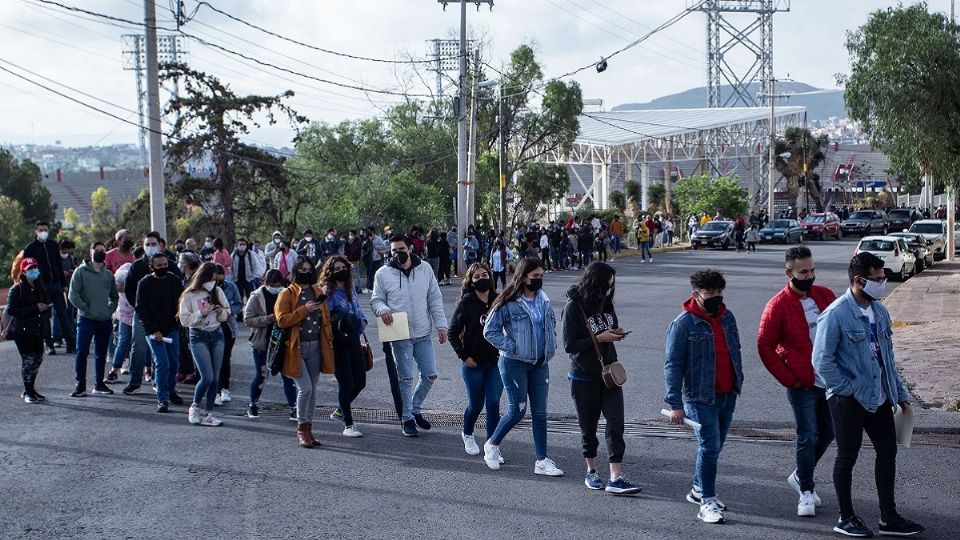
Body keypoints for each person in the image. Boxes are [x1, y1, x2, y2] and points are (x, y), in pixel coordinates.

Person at [812, 253, 925, 537]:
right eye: (876, 279)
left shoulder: (880, 311)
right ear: (858, 280)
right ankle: (846, 517)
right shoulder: (836, 313)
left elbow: (887, 357)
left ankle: (888, 518)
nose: (882, 284)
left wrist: (898, 392)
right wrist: (846, 389)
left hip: (880, 397)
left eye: (883, 278)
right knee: (847, 457)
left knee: (887, 452)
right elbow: (821, 360)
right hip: (847, 400)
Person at [758, 247, 837, 517]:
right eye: (804, 272)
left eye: (812, 270)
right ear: (789, 273)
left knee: (829, 433)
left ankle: (800, 474)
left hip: (831, 383)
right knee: (807, 436)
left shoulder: (825, 296)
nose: (810, 275)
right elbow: (765, 346)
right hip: (803, 385)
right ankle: (806, 491)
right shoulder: (777, 305)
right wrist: (790, 379)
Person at [665, 269, 743, 524]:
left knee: (717, 444)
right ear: (696, 294)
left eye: (719, 292)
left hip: (727, 392)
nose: (716, 297)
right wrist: (675, 404)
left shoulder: (727, 317)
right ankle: (706, 500)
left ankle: (699, 488)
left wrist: (736, 381)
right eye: (710, 293)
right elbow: (673, 365)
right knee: (709, 446)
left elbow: (734, 350)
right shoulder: (683, 323)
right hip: (700, 397)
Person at [562, 262, 641, 495]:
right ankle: (592, 471)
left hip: (610, 374)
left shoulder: (606, 302)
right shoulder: (573, 307)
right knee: (589, 427)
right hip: (583, 376)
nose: (608, 291)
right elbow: (570, 345)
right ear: (593, 284)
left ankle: (616, 476)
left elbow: (611, 325)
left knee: (616, 424)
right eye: (605, 286)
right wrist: (599, 338)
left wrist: (615, 333)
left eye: (611, 287)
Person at [481, 258, 563, 476]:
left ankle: (542, 461)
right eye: (535, 276)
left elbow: (551, 325)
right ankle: (492, 445)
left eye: (541, 276)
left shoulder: (543, 300)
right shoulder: (508, 302)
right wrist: (512, 346)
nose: (539, 280)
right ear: (523, 277)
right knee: (517, 410)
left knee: (540, 413)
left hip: (539, 364)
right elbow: (490, 331)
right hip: (513, 363)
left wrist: (551, 345)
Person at [370, 234, 448, 437]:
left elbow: (435, 299)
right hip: (399, 333)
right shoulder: (382, 274)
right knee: (405, 378)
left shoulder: (425, 269)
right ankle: (406, 419)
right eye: (394, 250)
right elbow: (376, 300)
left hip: (423, 332)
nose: (398, 254)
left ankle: (414, 408)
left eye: (401, 250)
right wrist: (383, 309)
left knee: (430, 374)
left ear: (410, 249)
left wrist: (441, 326)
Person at [275, 257, 335, 447]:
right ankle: (301, 428)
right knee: (305, 388)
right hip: (295, 348)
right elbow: (282, 320)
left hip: (316, 346)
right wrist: (304, 310)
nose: (306, 272)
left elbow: (325, 320)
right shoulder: (287, 293)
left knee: (313, 390)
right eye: (302, 269)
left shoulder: (317, 291)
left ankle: (309, 429)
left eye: (309, 269)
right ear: (295, 270)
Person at [448, 263, 503, 457]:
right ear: (470, 282)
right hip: (473, 364)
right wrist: (464, 357)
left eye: (484, 275)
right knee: (476, 405)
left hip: (496, 363)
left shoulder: (499, 300)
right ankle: (468, 433)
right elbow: (452, 333)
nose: (482, 279)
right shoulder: (466, 302)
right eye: (477, 277)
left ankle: (492, 446)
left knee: (494, 402)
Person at [122, 232, 182, 395]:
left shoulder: (169, 265)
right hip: (143, 314)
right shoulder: (137, 266)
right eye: (147, 244)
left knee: (165, 356)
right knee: (139, 348)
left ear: (160, 245)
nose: (150, 247)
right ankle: (135, 382)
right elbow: (129, 289)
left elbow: (179, 289)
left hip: (167, 317)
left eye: (153, 244)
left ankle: (160, 383)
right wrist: (139, 307)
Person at [322, 256, 369, 438]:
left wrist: (362, 322)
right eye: (336, 268)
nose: (341, 270)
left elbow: (358, 310)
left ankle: (340, 410)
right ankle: (348, 424)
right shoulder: (328, 292)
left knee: (360, 381)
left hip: (354, 339)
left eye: (343, 267)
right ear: (330, 272)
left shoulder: (350, 288)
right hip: (337, 342)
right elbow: (326, 318)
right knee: (346, 382)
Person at [179, 262, 230, 426]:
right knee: (206, 376)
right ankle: (194, 406)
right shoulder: (189, 295)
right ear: (202, 277)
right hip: (198, 336)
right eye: (210, 278)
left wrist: (221, 311)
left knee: (215, 378)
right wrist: (201, 313)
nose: (213, 282)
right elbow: (184, 320)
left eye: (215, 279)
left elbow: (227, 313)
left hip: (217, 335)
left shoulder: (217, 291)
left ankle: (209, 413)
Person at [243, 269, 298, 420]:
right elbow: (247, 319)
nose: (276, 287)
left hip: (283, 342)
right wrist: (267, 318)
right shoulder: (256, 296)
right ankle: (253, 405)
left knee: (288, 376)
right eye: (273, 284)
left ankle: (294, 407)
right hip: (262, 341)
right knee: (261, 375)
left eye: (279, 284)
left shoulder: (287, 294)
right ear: (266, 283)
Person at [68, 243, 118, 397]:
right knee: (82, 352)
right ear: (90, 253)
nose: (100, 253)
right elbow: (73, 295)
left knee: (101, 353)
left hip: (104, 320)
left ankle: (99, 383)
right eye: (97, 251)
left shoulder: (108, 275)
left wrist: (108, 310)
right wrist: (86, 309)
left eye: (103, 251)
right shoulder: (80, 272)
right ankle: (80, 385)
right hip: (86, 319)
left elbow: (114, 297)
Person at [137, 252, 185, 413]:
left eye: (165, 265)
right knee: (162, 363)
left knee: (173, 363)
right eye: (159, 266)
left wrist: (178, 323)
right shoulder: (144, 284)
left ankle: (171, 391)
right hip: (154, 331)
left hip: (172, 329)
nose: (163, 268)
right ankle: (162, 399)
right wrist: (153, 330)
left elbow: (181, 303)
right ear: (151, 267)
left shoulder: (174, 280)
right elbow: (141, 310)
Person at [22, 221, 75, 356]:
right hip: (41, 287)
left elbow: (58, 264)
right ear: (36, 231)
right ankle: (49, 345)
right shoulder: (30, 248)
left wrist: (64, 284)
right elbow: (27, 269)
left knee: (63, 315)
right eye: (41, 230)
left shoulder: (53, 245)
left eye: (45, 229)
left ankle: (71, 344)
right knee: (44, 318)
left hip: (56, 284)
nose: (43, 232)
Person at [7, 258, 52, 403]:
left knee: (38, 358)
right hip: (22, 330)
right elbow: (12, 310)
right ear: (23, 272)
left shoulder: (40, 286)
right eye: (30, 269)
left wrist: (44, 309)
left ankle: (30, 388)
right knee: (28, 360)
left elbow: (45, 304)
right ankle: (28, 392)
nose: (34, 271)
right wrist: (35, 308)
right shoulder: (17, 289)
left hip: (37, 328)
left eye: (35, 268)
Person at [231, 237, 263, 304]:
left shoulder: (250, 254)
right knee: (238, 298)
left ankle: (250, 312)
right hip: (237, 280)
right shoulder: (234, 255)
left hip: (248, 280)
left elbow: (255, 266)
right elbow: (230, 267)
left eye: (243, 244)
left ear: (246, 246)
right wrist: (232, 277)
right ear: (237, 245)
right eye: (240, 244)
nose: (242, 246)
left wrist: (253, 277)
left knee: (251, 298)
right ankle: (240, 314)